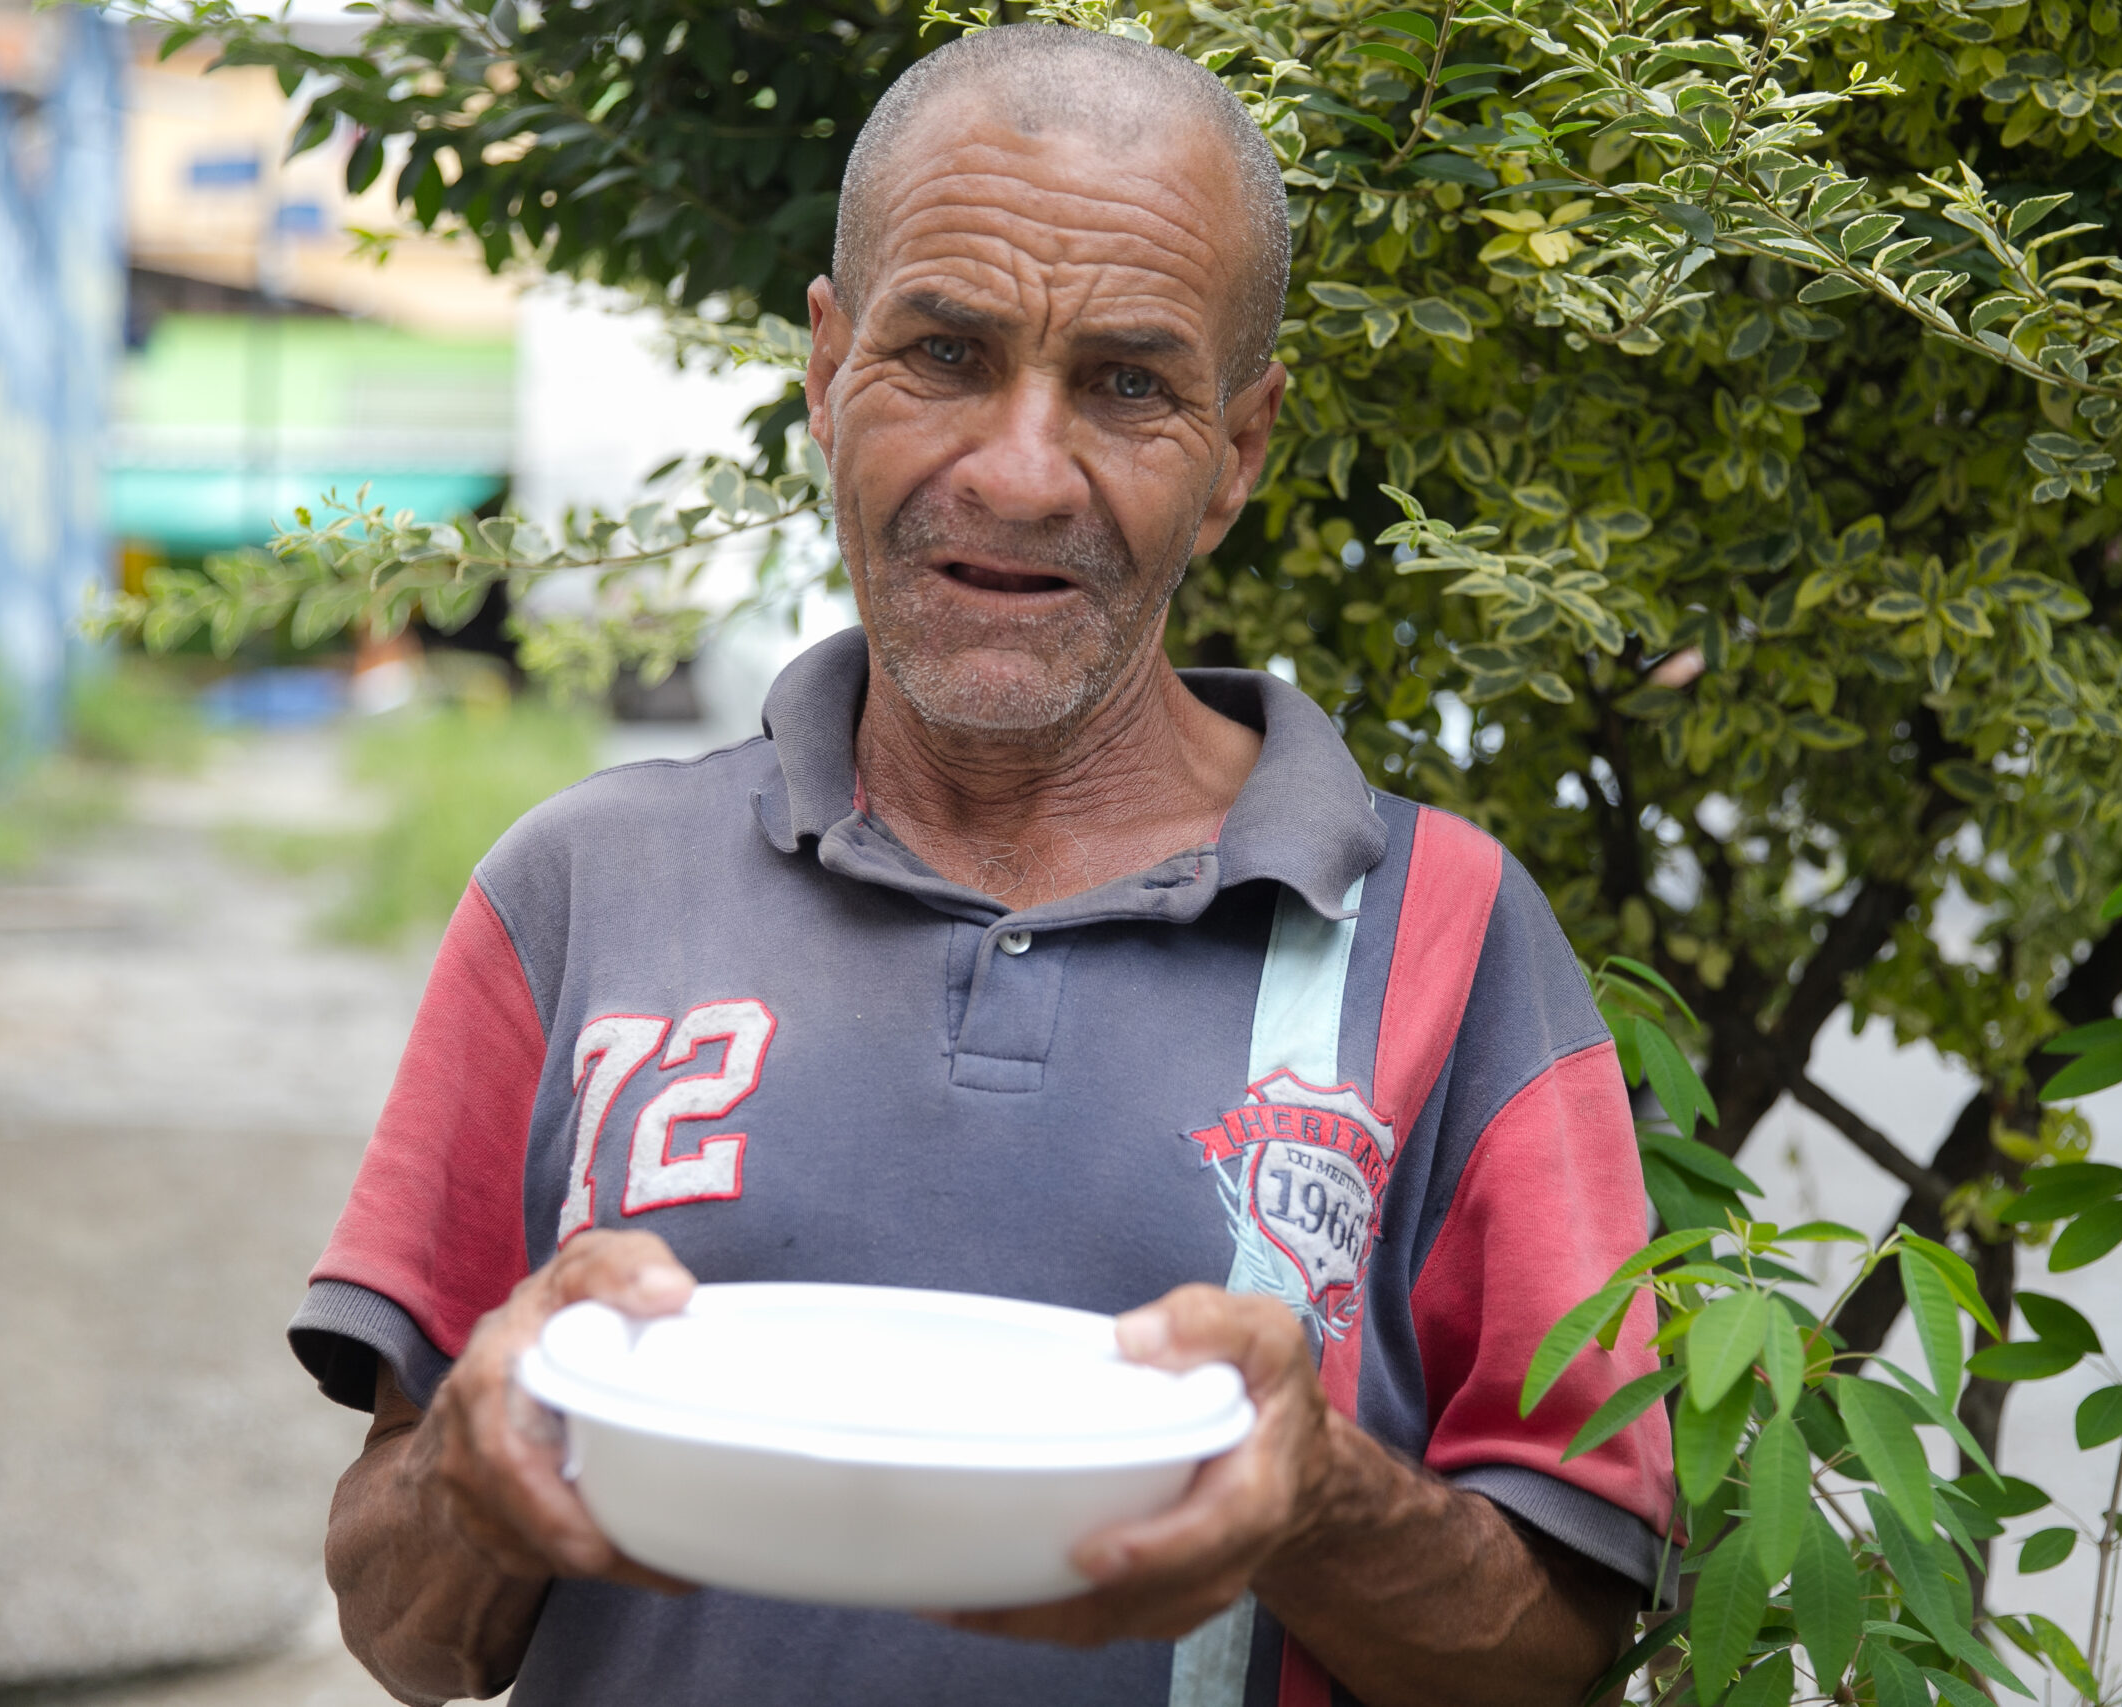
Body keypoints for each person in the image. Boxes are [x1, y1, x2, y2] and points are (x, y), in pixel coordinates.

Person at [290, 24, 1673, 1707]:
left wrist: (1316, 1493)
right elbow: (401, 1627)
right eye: (944, 353)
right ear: (826, 369)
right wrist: (475, 1474)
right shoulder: (581, 890)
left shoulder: (1449, 940)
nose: (1017, 472)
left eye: (1126, 384)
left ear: (1237, 453)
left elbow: (1559, 1655)